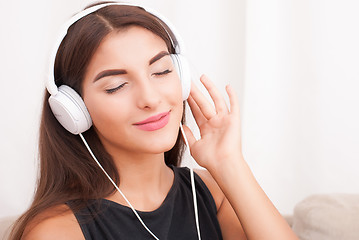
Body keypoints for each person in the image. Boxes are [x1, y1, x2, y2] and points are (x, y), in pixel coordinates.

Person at [10, 2, 298, 239]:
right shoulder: (56, 231)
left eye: (161, 71)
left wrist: (229, 163)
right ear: (74, 111)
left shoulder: (211, 192)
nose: (150, 97)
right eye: (116, 86)